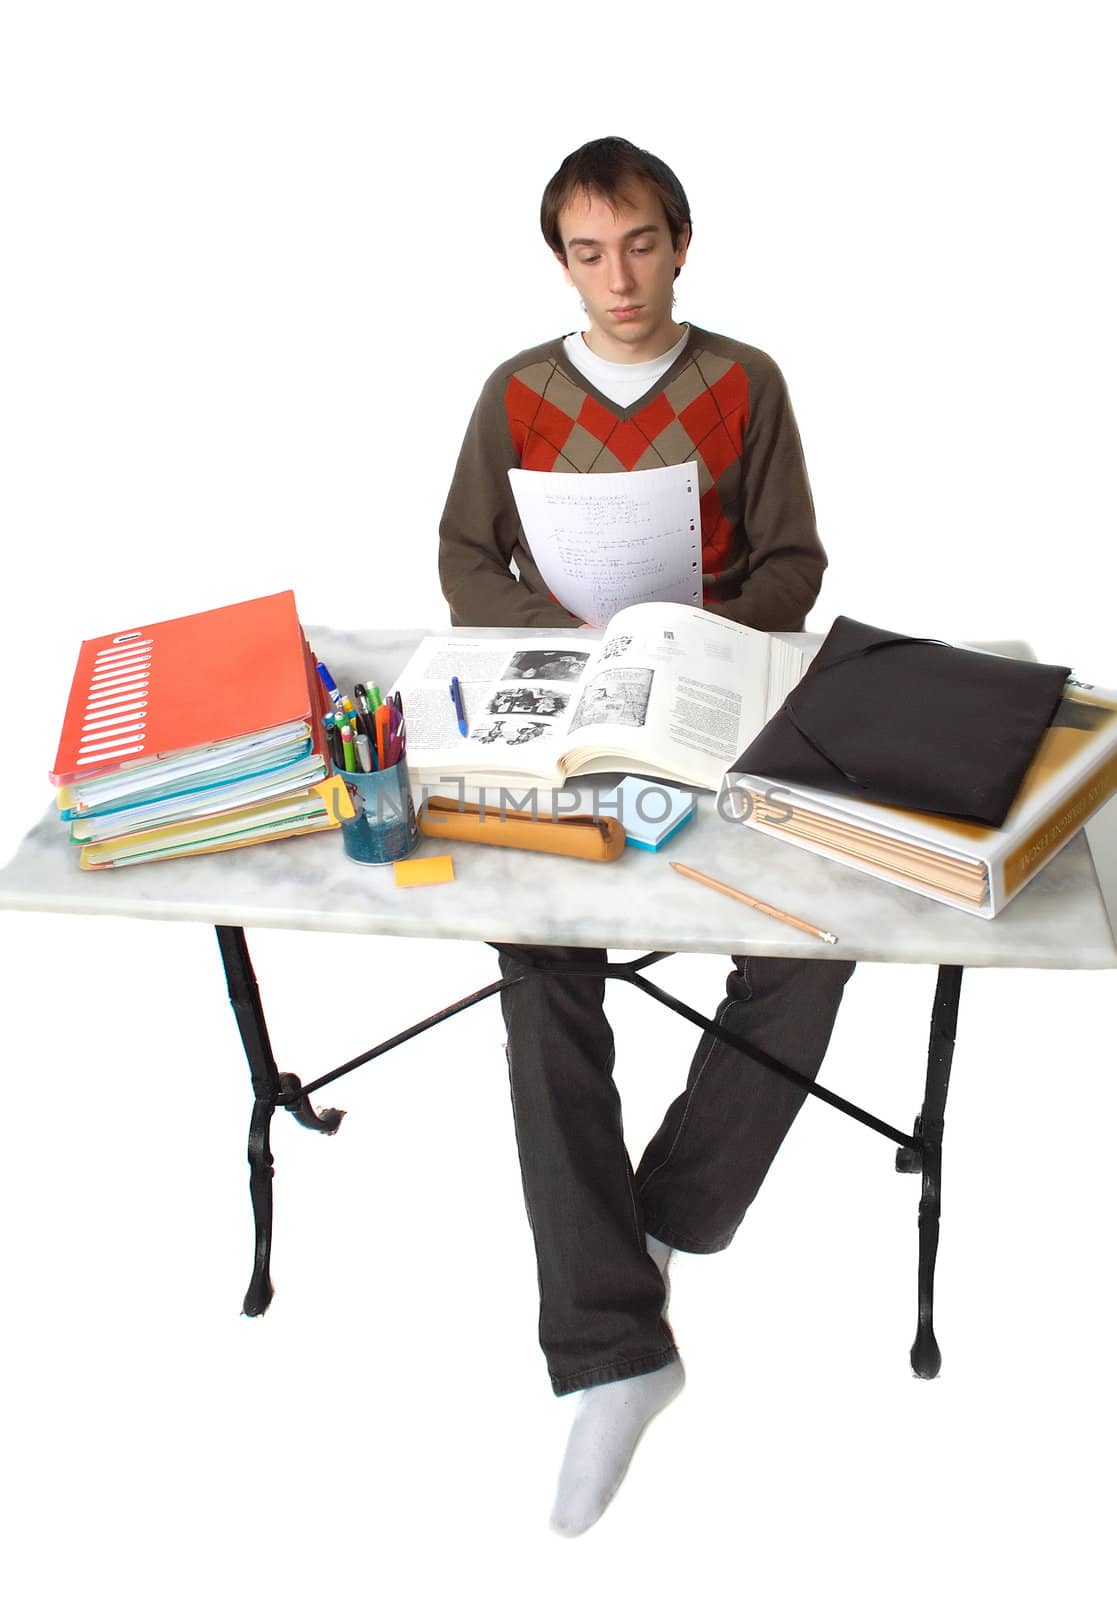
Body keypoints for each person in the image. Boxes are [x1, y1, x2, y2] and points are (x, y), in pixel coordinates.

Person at [438, 136, 855, 1536]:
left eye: (639, 245)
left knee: (815, 936)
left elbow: (795, 564)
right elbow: (460, 558)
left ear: (682, 242)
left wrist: (703, 623)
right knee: (537, 949)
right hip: (568, 699)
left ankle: (655, 1225)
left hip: (714, 694)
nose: (617, 278)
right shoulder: (517, 392)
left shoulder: (746, 380)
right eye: (585, 251)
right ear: (559, 258)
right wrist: (550, 627)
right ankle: (613, 1357)